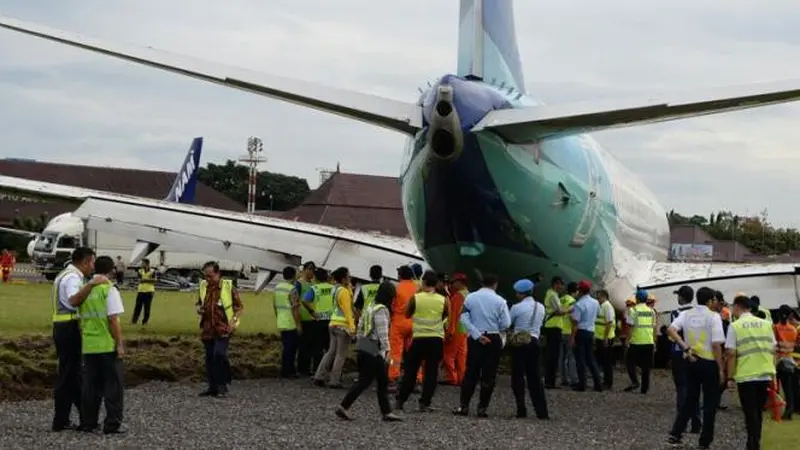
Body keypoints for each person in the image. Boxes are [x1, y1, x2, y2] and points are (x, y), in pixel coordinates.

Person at [51, 247, 107, 431]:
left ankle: (80, 418)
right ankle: (61, 420)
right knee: (68, 375)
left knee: (73, 374)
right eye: (92, 262)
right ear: (84, 261)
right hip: (68, 328)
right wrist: (91, 285)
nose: (92, 267)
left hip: (63, 327)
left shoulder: (64, 274)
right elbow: (74, 300)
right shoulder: (72, 278)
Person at [666, 286, 725, 449]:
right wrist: (721, 368)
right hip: (709, 363)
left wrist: (685, 347)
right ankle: (704, 440)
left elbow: (671, 330)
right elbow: (716, 344)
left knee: (690, 399)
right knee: (709, 403)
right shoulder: (714, 317)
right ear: (710, 301)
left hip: (691, 360)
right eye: (714, 300)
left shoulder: (686, 314)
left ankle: (676, 433)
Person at [336, 281, 403, 422]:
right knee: (366, 381)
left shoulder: (370, 307)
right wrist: (387, 350)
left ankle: (386, 411)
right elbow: (382, 332)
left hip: (364, 346)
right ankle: (343, 406)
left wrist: (360, 341)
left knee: (381, 380)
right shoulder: (382, 310)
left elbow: (360, 325)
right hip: (375, 349)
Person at [73, 256, 126, 434]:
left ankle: (88, 422)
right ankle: (112, 424)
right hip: (106, 344)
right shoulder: (109, 289)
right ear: (111, 270)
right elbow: (113, 319)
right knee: (113, 386)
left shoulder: (86, 290)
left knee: (90, 386)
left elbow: (76, 305)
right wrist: (119, 344)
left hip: (89, 344)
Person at [453, 274, 511, 417]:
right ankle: (482, 408)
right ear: (495, 285)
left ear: (482, 283)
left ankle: (464, 406)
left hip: (475, 338)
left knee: (471, 372)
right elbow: (506, 323)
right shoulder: (500, 301)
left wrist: (477, 335)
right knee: (489, 375)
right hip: (493, 337)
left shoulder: (471, 297)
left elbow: (464, 317)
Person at [725, 295, 776, 450]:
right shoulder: (766, 324)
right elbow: (773, 349)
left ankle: (752, 441)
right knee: (758, 411)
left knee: (749, 411)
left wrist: (730, 377)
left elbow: (731, 353)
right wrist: (773, 372)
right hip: (765, 373)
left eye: (733, 307)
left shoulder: (735, 326)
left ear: (738, 307)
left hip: (746, 375)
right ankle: (756, 439)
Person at [394, 271, 449, 412]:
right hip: (436, 339)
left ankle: (400, 401)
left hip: (419, 338)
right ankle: (425, 403)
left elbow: (407, 314)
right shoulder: (443, 300)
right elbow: (445, 315)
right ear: (436, 284)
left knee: (410, 372)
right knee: (431, 373)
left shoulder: (416, 298)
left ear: (423, 283)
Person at [196, 261, 244, 397]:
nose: (207, 279)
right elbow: (199, 302)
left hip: (223, 328)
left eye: (210, 276)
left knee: (219, 354)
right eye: (205, 276)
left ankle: (223, 383)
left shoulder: (228, 287)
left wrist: (233, 321)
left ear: (218, 274)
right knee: (210, 358)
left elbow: (240, 307)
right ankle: (212, 387)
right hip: (207, 328)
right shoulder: (203, 286)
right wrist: (198, 309)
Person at [508, 278, 549, 419]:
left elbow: (508, 322)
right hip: (535, 342)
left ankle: (521, 409)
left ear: (521, 294)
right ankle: (542, 412)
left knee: (518, 377)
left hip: (519, 343)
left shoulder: (516, 307)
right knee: (535, 377)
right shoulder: (541, 307)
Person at [314, 267, 356, 388]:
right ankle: (334, 380)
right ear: (343, 278)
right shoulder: (344, 292)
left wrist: (349, 287)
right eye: (348, 276)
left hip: (333, 323)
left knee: (330, 352)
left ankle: (319, 375)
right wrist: (352, 328)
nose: (350, 278)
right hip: (343, 325)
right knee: (340, 354)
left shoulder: (335, 289)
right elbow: (348, 311)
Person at [668, 285, 702, 434]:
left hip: (679, 352)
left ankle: (681, 422)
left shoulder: (676, 313)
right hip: (696, 353)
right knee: (694, 388)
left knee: (681, 388)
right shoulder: (698, 313)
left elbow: (672, 335)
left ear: (682, 297)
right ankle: (696, 422)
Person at [388, 265, 422, 390]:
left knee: (395, 353)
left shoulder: (396, 288)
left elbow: (392, 306)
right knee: (414, 353)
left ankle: (393, 378)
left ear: (400, 275)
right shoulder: (417, 288)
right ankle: (417, 379)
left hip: (398, 322)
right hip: (413, 322)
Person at [570, 280, 602, 392]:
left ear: (580, 291)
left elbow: (575, 323)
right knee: (591, 359)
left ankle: (582, 384)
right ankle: (598, 384)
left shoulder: (579, 304)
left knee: (580, 359)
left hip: (581, 332)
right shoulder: (596, 302)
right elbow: (598, 314)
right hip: (591, 332)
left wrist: (572, 338)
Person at [624, 289, 657, 394]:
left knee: (629, 362)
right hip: (648, 341)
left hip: (636, 341)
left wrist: (627, 340)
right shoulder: (651, 311)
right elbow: (654, 327)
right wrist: (654, 341)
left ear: (637, 299)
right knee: (646, 367)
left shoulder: (633, 310)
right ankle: (644, 389)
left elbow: (629, 326)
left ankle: (635, 381)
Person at [303, 267, 334, 375]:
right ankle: (330, 370)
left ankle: (318, 371)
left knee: (318, 348)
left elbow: (305, 301)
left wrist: (312, 312)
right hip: (331, 320)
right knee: (331, 347)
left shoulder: (314, 288)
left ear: (316, 278)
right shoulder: (333, 288)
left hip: (318, 321)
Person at [274, 266, 303, 378]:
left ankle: (284, 370)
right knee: (291, 349)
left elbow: (275, 306)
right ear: (294, 275)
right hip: (291, 322)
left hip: (281, 321)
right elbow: (295, 308)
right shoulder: (292, 289)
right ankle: (289, 371)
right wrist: (299, 325)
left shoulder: (277, 288)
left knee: (286, 347)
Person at [442, 273, 469, 386]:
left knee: (448, 354)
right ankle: (462, 378)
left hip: (457, 328)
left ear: (459, 282)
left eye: (453, 283)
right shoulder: (468, 294)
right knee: (461, 355)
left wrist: (450, 332)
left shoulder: (458, 296)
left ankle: (452, 378)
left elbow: (453, 315)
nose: (451, 285)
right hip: (465, 328)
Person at [774, 305, 798, 420]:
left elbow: (773, 344)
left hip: (778, 360)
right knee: (788, 389)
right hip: (789, 361)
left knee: (775, 386)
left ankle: (776, 408)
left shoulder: (775, 327)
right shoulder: (793, 329)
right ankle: (790, 409)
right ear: (790, 315)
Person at [296, 262, 318, 376]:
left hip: (312, 319)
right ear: (304, 270)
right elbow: (296, 301)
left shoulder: (313, 284)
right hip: (303, 318)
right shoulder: (299, 283)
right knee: (303, 346)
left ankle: (308, 368)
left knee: (311, 345)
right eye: (310, 270)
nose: (311, 272)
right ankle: (302, 368)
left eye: (313, 270)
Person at [542, 276, 565, 388]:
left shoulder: (551, 294)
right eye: (560, 284)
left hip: (552, 327)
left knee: (551, 354)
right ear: (556, 284)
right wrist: (570, 309)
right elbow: (559, 311)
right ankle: (550, 382)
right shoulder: (552, 295)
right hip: (553, 327)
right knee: (553, 355)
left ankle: (549, 381)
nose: (561, 287)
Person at [594, 289, 616, 390]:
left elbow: (609, 323)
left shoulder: (607, 306)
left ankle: (608, 382)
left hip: (606, 338)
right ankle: (604, 381)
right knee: (602, 360)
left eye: (598, 297)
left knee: (606, 362)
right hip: (600, 337)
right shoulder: (602, 306)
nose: (597, 299)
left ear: (603, 297)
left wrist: (605, 338)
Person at [560, 282, 579, 387]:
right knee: (571, 357)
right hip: (568, 332)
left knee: (561, 358)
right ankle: (573, 380)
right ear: (575, 291)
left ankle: (563, 379)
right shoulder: (572, 301)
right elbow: (574, 319)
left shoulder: (561, 299)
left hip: (560, 330)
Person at [131, 259, 157, 325]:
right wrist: (148, 280)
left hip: (149, 291)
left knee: (147, 307)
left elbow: (154, 280)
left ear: (147, 264)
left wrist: (145, 280)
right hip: (141, 291)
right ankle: (134, 321)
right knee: (137, 306)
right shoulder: (140, 271)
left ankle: (145, 321)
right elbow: (139, 280)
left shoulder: (152, 271)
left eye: (143, 263)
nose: (142, 264)